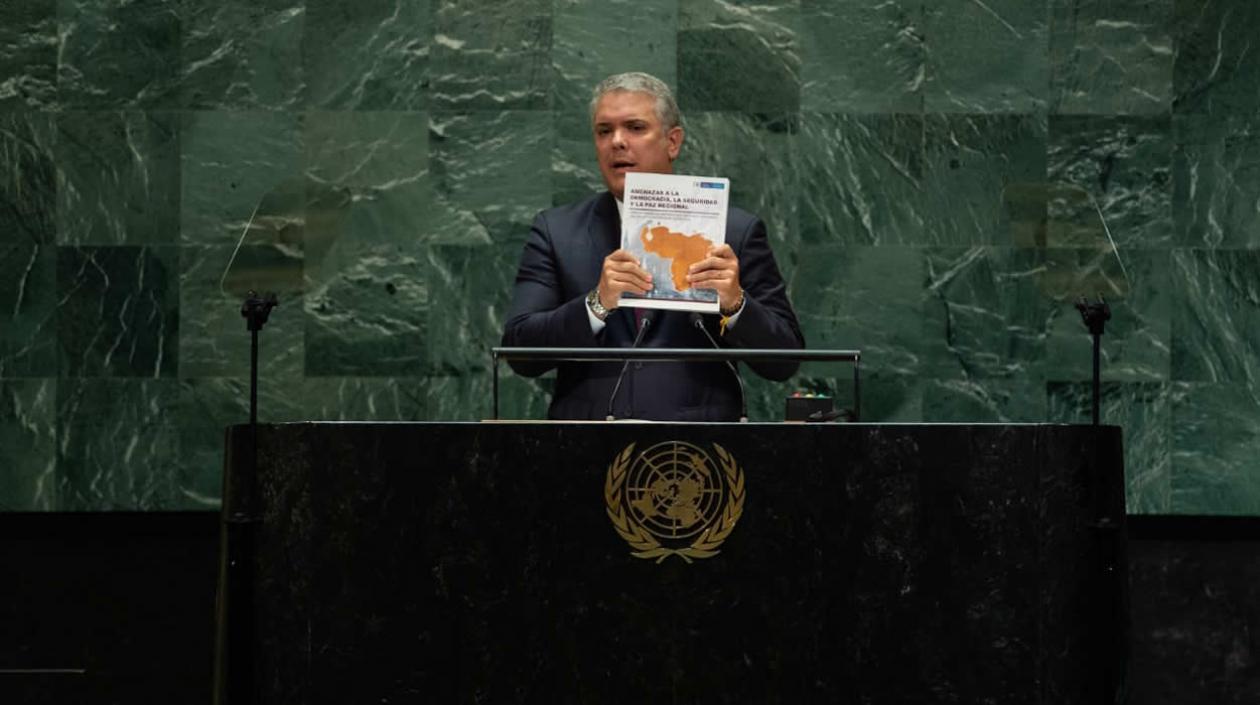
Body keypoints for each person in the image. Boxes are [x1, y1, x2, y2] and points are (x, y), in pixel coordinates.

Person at [501, 72, 803, 421]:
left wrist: (736, 304)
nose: (617, 141)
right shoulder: (556, 230)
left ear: (673, 142)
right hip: (585, 450)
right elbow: (520, 352)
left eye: (635, 127)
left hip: (698, 452)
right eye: (604, 131)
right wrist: (596, 305)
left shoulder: (734, 231)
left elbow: (785, 360)